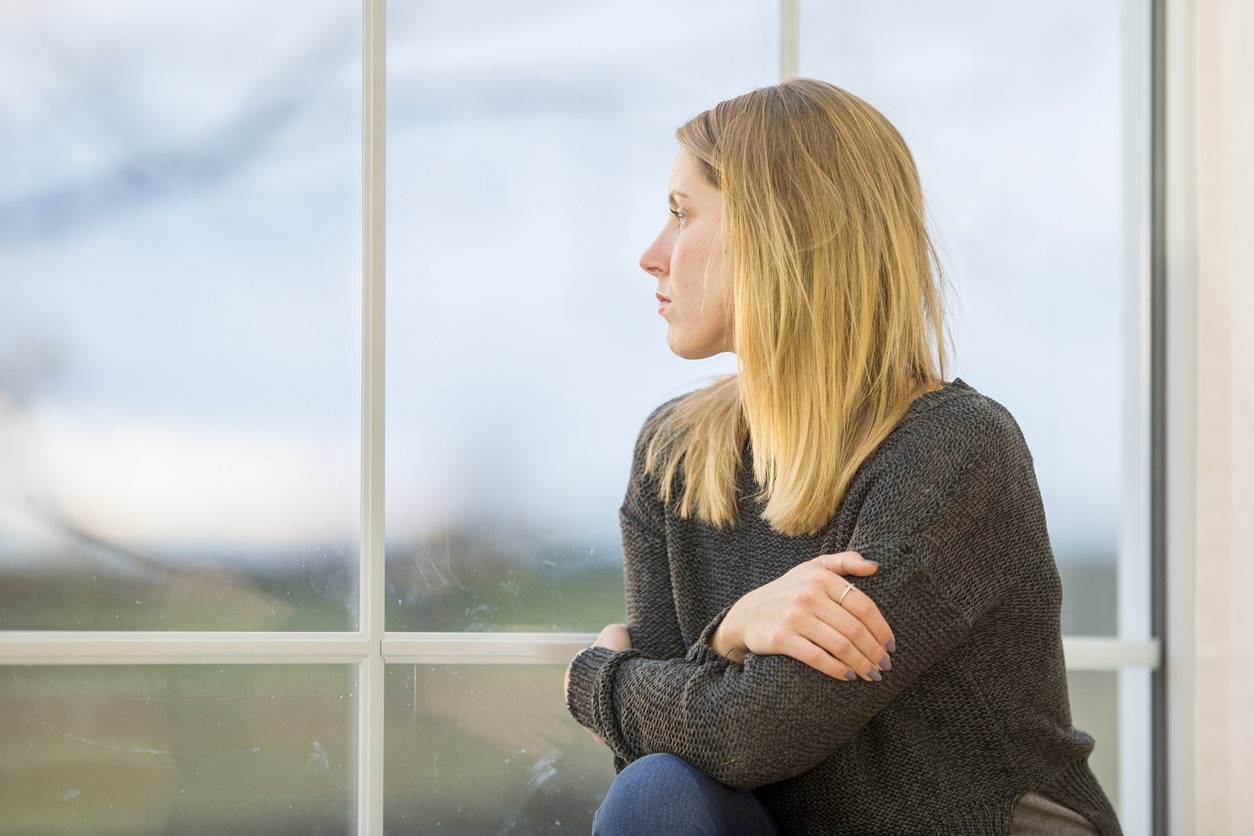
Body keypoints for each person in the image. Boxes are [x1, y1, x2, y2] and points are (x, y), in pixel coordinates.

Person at [563, 77, 1122, 835]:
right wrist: (732, 631)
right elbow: (662, 753)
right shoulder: (677, 454)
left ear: (778, 232)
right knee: (661, 792)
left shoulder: (954, 451)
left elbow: (751, 733)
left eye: (681, 215)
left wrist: (593, 681)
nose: (650, 256)